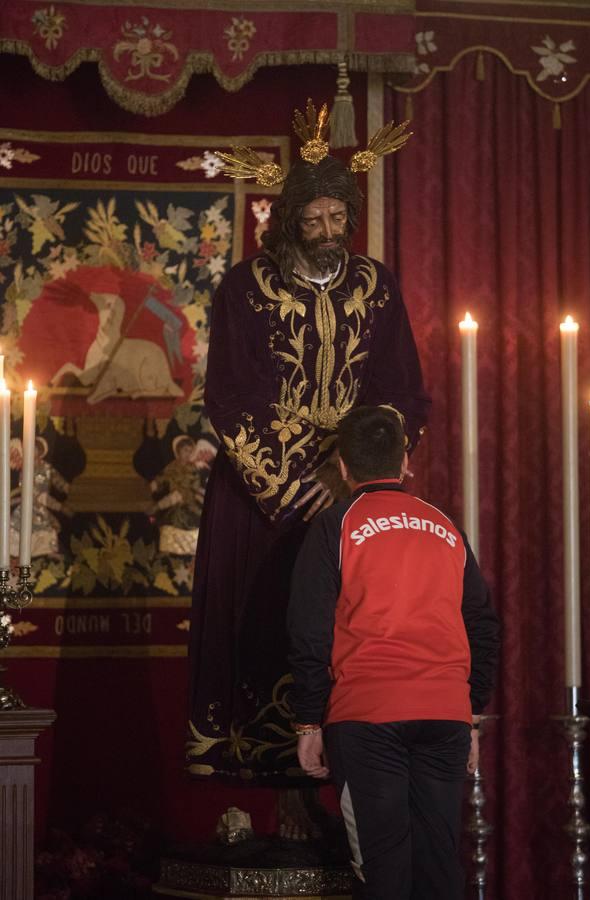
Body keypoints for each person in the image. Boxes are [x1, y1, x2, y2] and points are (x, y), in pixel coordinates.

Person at [187, 102, 431, 805]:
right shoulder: (245, 288)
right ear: (288, 219)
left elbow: (400, 390)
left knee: (345, 620)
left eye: (336, 219)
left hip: (352, 489)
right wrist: (294, 481)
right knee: (260, 617)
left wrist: (345, 468)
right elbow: (231, 395)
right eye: (312, 219)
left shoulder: (376, 285)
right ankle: (260, 784)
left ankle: (346, 763)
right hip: (258, 499)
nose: (327, 233)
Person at [287, 405, 500, 895]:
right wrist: (469, 712)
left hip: (367, 720)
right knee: (439, 869)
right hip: (444, 715)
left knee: (384, 874)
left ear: (342, 466)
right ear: (405, 462)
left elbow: (308, 631)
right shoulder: (445, 526)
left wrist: (306, 722)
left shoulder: (333, 526)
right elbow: (484, 626)